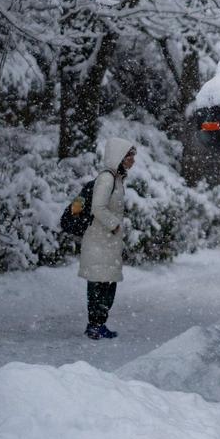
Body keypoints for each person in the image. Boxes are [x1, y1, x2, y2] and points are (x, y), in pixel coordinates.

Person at [78, 137, 136, 340]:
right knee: (98, 283)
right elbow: (97, 207)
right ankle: (93, 325)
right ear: (119, 156)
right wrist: (115, 225)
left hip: (109, 241)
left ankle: (99, 324)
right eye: (130, 155)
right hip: (98, 240)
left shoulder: (117, 179)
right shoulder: (107, 178)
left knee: (108, 283)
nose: (132, 160)